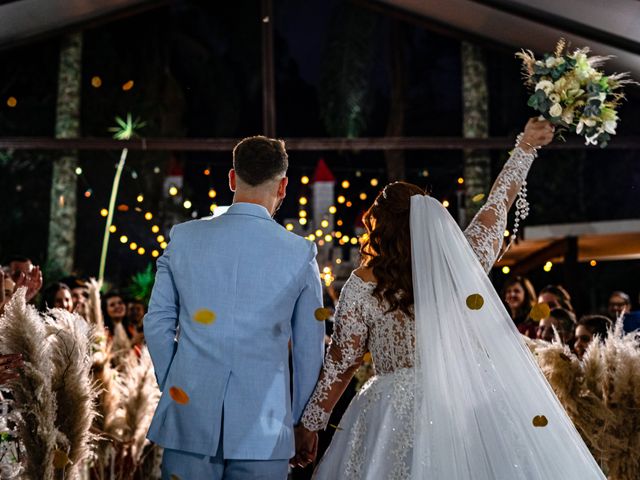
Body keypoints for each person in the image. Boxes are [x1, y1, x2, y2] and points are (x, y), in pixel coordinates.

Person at [293, 118, 605, 479]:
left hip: (391, 412)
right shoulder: (461, 263)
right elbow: (498, 202)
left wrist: (311, 424)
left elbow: (342, 362)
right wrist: (526, 147)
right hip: (466, 404)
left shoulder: (364, 283)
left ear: (378, 228)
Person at [145, 135, 325, 479]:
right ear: (283, 185)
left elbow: (157, 323)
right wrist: (303, 420)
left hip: (188, 416)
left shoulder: (183, 238)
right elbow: (308, 350)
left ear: (232, 178)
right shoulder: (301, 252)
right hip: (266, 426)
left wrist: (178, 385)